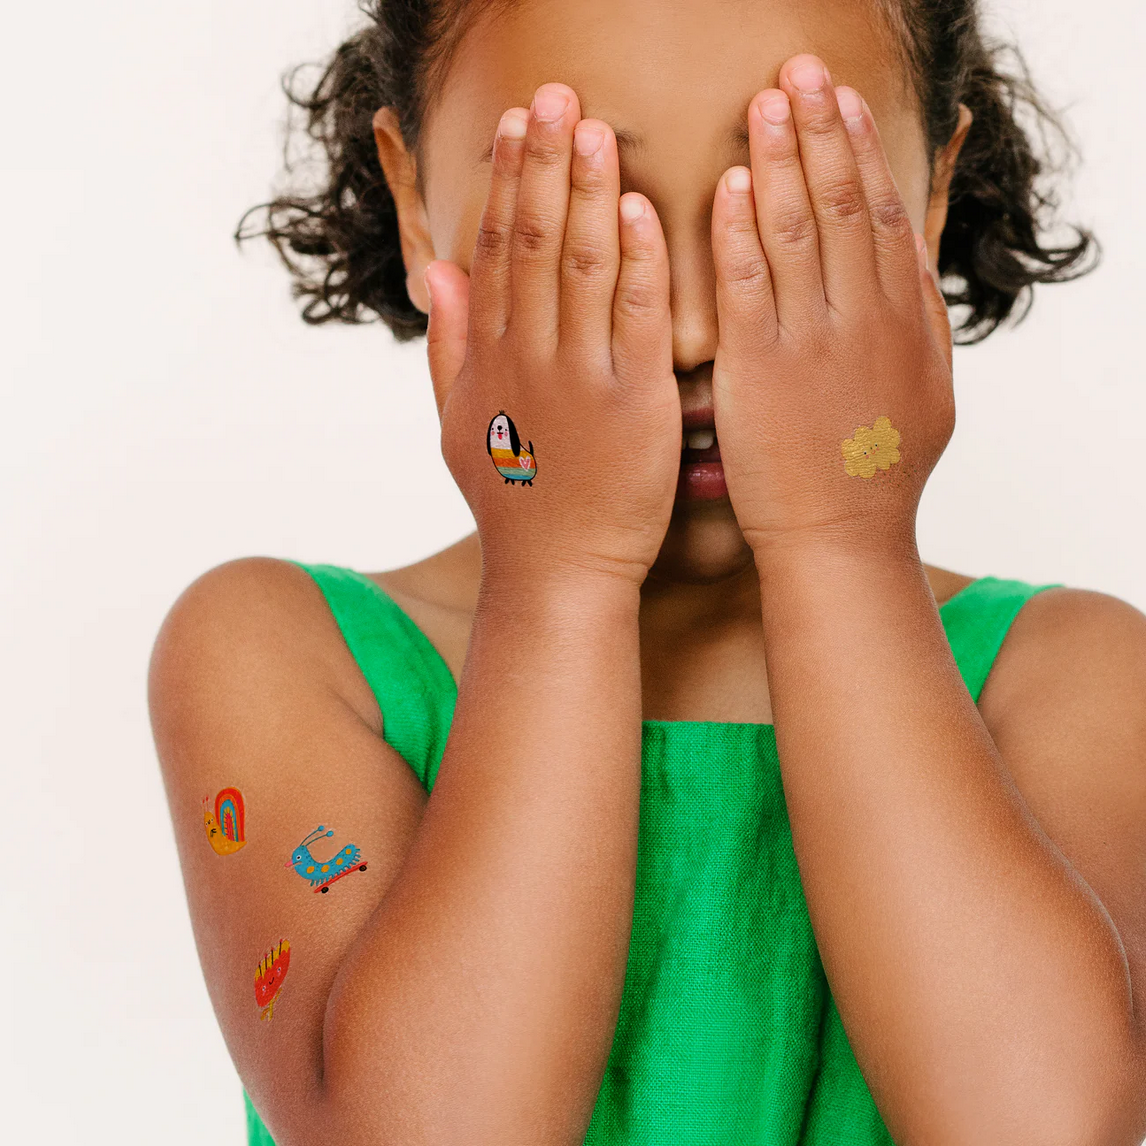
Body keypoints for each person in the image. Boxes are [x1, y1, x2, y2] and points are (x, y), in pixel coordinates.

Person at [149, 1, 1146, 1142]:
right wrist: (561, 579)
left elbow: (1044, 1126)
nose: (685, 329)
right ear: (417, 201)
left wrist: (838, 540)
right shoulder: (279, 653)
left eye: (783, 212)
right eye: (589, 213)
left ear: (923, 201)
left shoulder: (1075, 678)